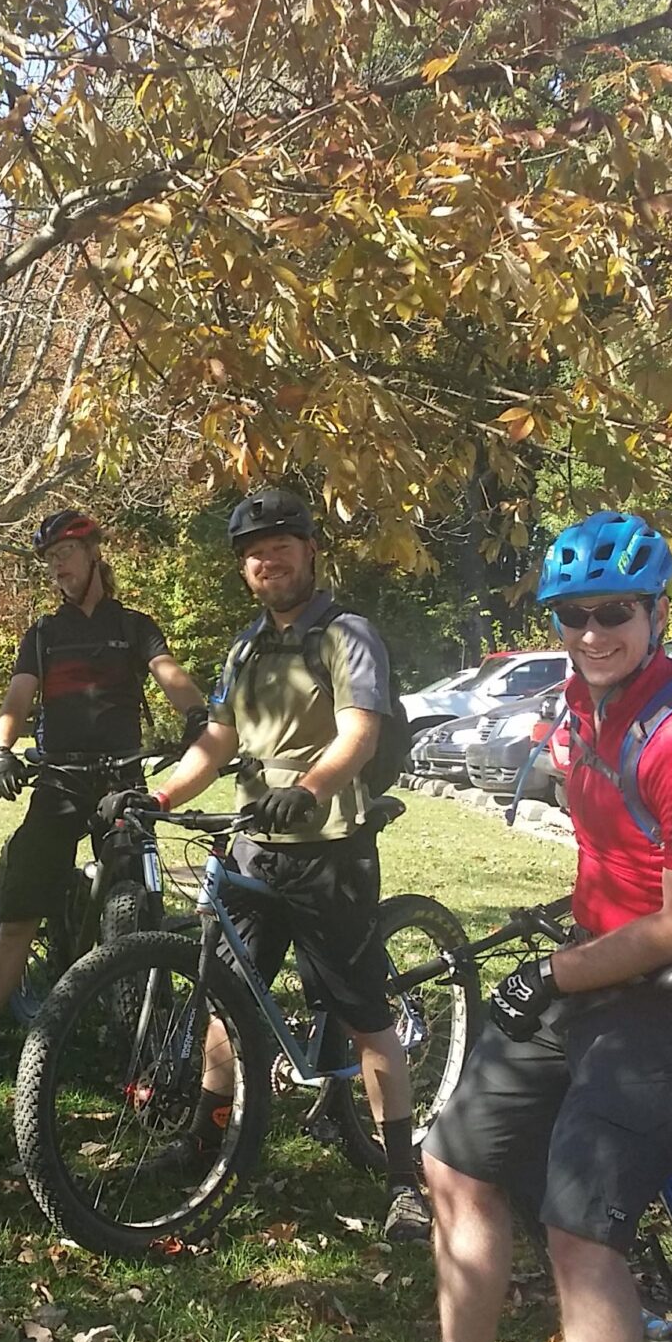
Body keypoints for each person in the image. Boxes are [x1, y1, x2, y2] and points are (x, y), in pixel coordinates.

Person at [392, 512, 672, 1342]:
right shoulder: (582, 710)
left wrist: (554, 974)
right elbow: (614, 858)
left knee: (579, 1232)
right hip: (592, 973)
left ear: (657, 612)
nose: (593, 633)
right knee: (455, 1163)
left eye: (615, 612)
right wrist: (566, 955)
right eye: (574, 616)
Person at [98, 488, 431, 1243]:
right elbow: (215, 742)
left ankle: (402, 1180)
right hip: (253, 845)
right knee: (223, 999)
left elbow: (359, 734)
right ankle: (206, 1142)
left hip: (329, 851)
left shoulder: (347, 635)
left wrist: (309, 790)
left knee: (364, 1015)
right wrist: (155, 795)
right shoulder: (245, 647)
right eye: (253, 551)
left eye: (281, 544)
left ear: (311, 549)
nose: (266, 559)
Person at [0, 509, 207, 1077]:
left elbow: (168, 672)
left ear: (93, 552)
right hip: (58, 779)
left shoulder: (132, 625)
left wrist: (199, 716)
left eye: (66, 554)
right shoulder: (43, 634)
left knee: (139, 906)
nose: (57, 567)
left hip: (121, 782)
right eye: (49, 559)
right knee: (19, 916)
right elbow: (18, 698)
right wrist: (0, 749)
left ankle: (150, 1040)